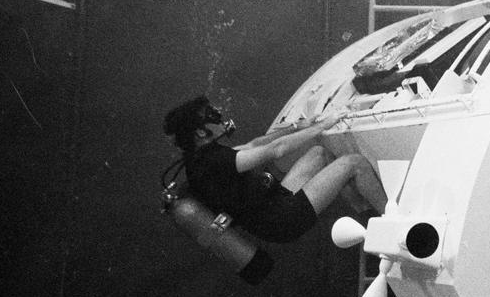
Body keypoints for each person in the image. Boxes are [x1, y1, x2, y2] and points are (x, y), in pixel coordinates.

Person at [162, 96, 386, 244]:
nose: (218, 115)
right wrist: (323, 125)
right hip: (280, 219)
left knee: (320, 154)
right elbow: (276, 150)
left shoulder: (198, 159)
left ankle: (364, 212)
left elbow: (254, 145)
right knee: (354, 163)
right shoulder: (215, 161)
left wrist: (298, 126)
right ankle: (390, 221)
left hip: (271, 204)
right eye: (210, 116)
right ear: (201, 133)